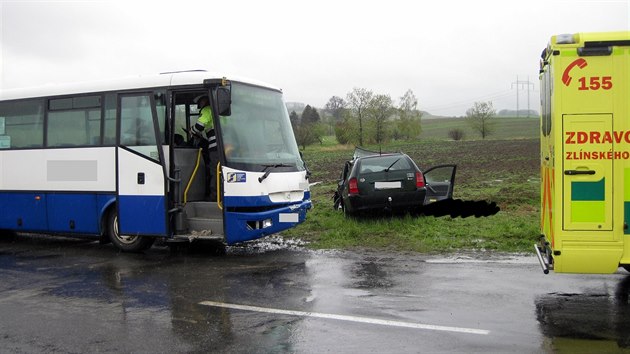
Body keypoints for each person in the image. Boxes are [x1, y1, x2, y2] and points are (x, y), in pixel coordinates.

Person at [192, 95, 218, 200]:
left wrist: (191, 131)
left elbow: (199, 126)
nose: (200, 106)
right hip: (225, 146)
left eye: (200, 103)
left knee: (214, 171)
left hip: (215, 147)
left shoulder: (207, 110)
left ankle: (214, 196)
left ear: (204, 101)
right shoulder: (219, 111)